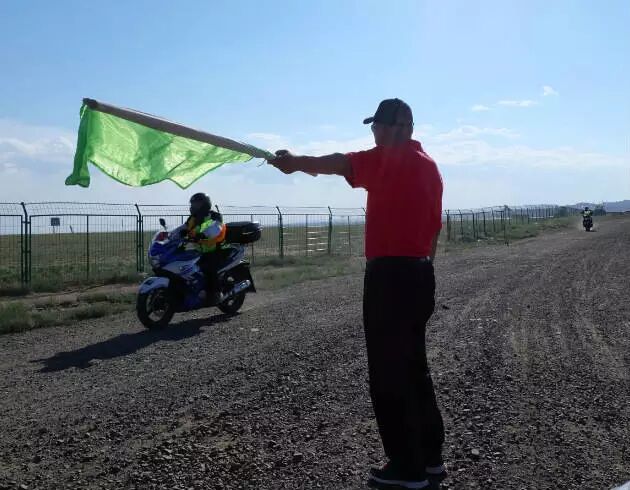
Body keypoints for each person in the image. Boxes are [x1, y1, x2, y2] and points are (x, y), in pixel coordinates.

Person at [269, 98, 446, 489]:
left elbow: (339, 163)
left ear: (398, 128)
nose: (374, 132)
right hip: (420, 273)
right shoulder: (430, 167)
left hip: (390, 278)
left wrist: (295, 162)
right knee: (414, 367)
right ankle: (430, 457)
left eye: (377, 125)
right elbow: (435, 228)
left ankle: (408, 469)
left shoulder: (387, 159)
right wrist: (425, 270)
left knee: (389, 373)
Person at [184, 193, 227, 304]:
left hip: (214, 250)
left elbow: (216, 228)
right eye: (192, 204)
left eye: (197, 204)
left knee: (209, 268)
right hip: (197, 251)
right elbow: (184, 228)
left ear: (205, 204)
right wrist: (175, 234)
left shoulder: (214, 215)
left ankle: (216, 293)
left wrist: (203, 234)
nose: (193, 207)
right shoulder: (192, 219)